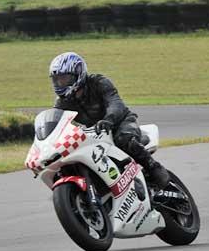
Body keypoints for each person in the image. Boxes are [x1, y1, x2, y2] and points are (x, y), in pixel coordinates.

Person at [49, 52, 170, 187]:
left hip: (120, 122)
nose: (60, 83)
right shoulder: (62, 102)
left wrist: (109, 120)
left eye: (64, 79)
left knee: (124, 139)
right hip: (95, 133)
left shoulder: (98, 82)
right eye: (57, 80)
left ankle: (153, 167)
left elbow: (115, 103)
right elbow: (56, 122)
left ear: (78, 74)